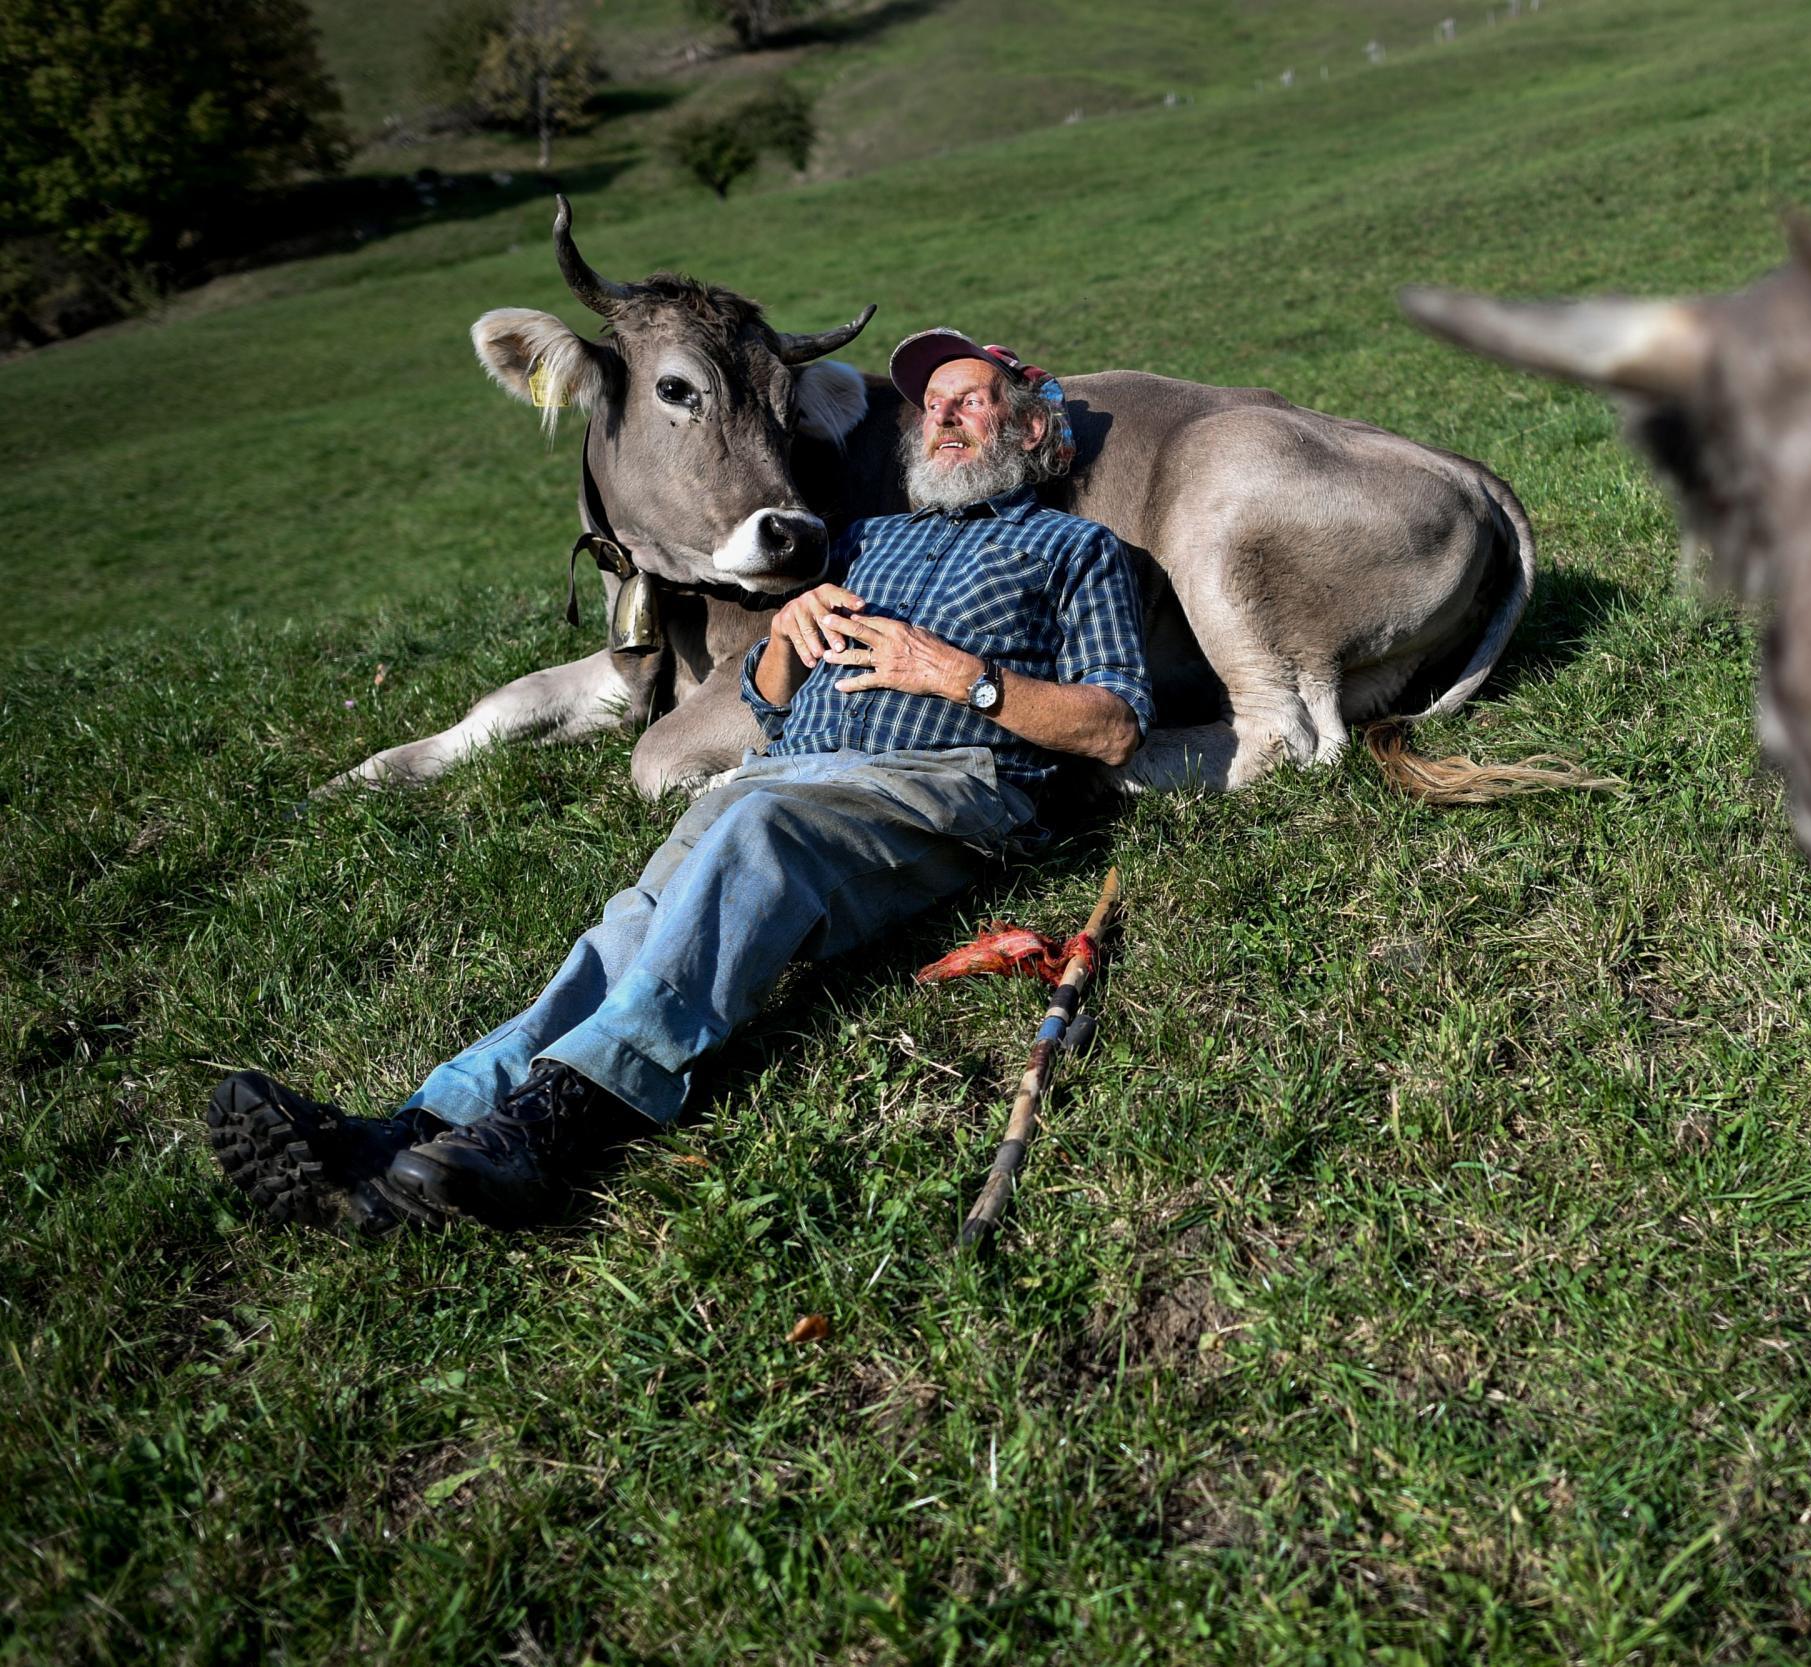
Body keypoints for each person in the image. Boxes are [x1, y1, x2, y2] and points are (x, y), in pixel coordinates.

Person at [206, 329, 1152, 1232]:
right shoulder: (862, 540)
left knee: (758, 831)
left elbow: (1112, 727)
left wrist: (960, 676)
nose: (938, 420)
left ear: (1030, 430)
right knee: (628, 924)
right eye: (930, 406)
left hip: (944, 785)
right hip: (791, 775)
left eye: (969, 403)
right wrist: (784, 644)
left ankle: (565, 1118)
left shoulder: (1079, 552)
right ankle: (408, 1132)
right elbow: (770, 704)